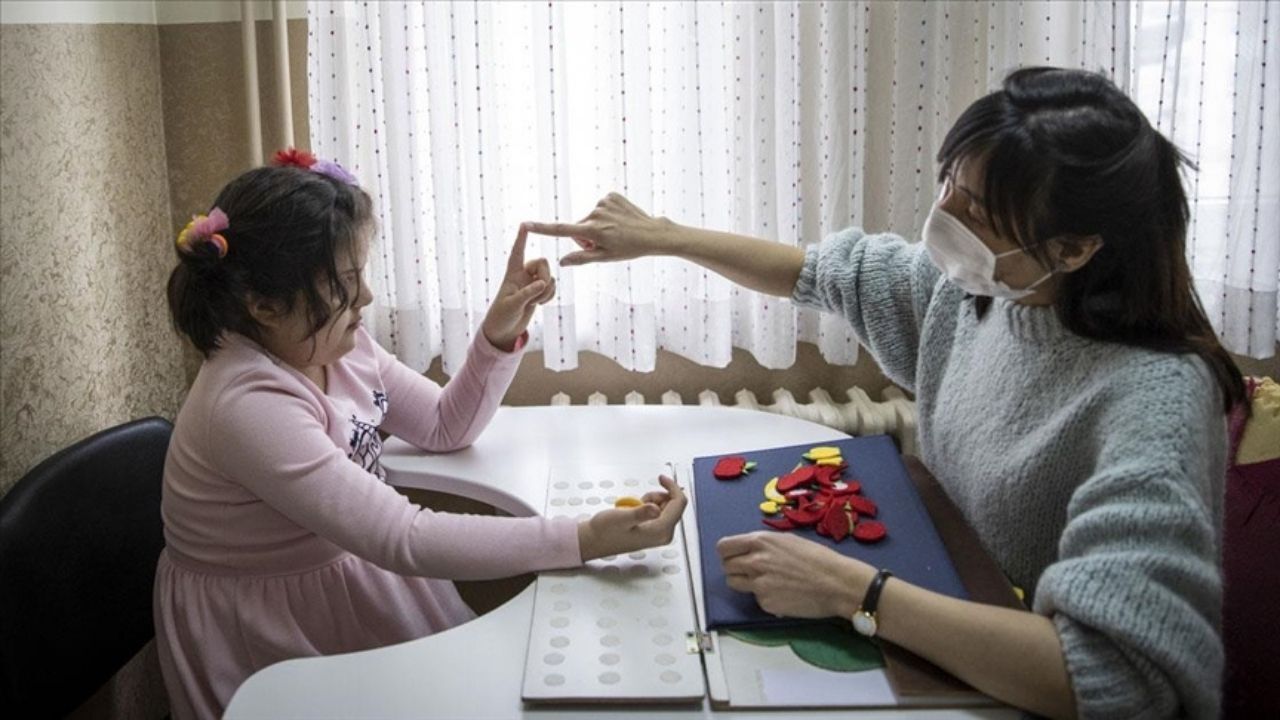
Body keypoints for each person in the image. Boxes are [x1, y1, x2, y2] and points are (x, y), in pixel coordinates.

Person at [526, 67, 1243, 719]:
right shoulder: (986, 292)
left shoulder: (1155, 399)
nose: (945, 218)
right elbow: (821, 273)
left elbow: (1115, 679)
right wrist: (665, 237)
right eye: (949, 184)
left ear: (1076, 247)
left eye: (977, 212)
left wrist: (853, 591)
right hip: (949, 607)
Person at [156, 149, 687, 720]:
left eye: (361, 274)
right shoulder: (248, 405)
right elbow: (403, 536)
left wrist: (500, 329)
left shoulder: (335, 345)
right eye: (344, 283)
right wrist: (584, 539)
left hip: (353, 570)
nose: (365, 297)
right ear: (264, 306)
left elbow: (442, 425)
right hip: (274, 621)